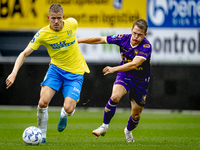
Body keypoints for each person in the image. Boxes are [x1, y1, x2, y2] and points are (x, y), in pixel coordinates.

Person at [5, 4, 90, 143]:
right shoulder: (42, 34)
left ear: (63, 17)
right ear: (48, 18)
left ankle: (64, 115)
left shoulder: (72, 23)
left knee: (69, 108)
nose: (56, 21)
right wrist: (14, 73)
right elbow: (24, 53)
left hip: (75, 72)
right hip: (55, 70)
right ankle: (42, 136)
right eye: (53, 18)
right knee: (43, 102)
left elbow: (75, 39)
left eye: (58, 18)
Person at [78, 19, 152, 143]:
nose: (136, 37)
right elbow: (100, 39)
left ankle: (128, 131)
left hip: (140, 81)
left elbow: (134, 64)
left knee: (136, 116)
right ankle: (104, 126)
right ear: (131, 30)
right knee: (115, 97)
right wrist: (79, 40)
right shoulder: (123, 38)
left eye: (140, 35)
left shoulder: (146, 46)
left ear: (144, 35)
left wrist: (114, 69)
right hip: (125, 75)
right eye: (134, 33)